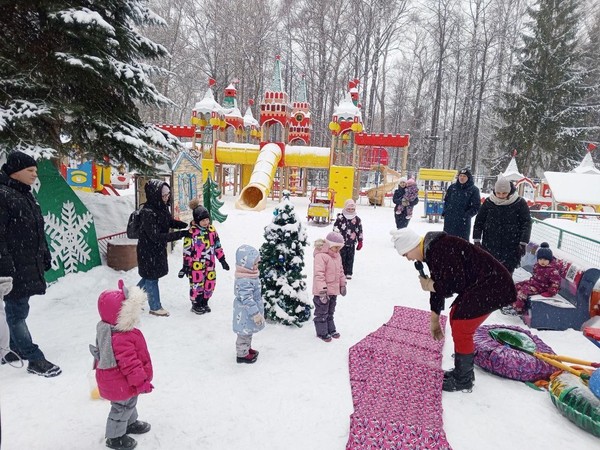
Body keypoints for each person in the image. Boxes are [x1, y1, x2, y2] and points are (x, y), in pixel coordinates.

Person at [391, 228, 516, 392]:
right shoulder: (432, 251)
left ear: (411, 246)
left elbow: (454, 282)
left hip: (493, 286)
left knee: (462, 324)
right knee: (456, 315)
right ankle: (462, 371)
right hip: (484, 285)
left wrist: (432, 285)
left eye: (405, 254)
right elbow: (440, 284)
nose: (407, 259)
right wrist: (434, 319)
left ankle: (463, 379)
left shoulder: (441, 248)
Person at [0, 151, 61, 377]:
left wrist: (44, 253)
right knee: (16, 313)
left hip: (25, 264)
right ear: (16, 171)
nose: (35, 175)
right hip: (13, 268)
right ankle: (34, 358)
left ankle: (13, 349)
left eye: (35, 170)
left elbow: (36, 230)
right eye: (31, 171)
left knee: (18, 309)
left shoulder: (24, 194)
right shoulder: (4, 195)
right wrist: (5, 269)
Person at [90, 280, 153, 450]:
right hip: (120, 381)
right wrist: (141, 382)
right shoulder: (120, 338)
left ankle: (130, 423)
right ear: (123, 314)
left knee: (128, 403)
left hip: (122, 382)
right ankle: (114, 437)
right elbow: (130, 365)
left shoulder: (113, 330)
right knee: (121, 408)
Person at [136, 179, 188, 317]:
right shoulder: (148, 212)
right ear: (155, 195)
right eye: (163, 196)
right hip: (148, 251)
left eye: (167, 195)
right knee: (152, 277)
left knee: (149, 276)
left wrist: (182, 225)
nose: (166, 198)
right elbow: (156, 236)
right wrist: (181, 234)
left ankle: (132, 296)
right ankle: (155, 307)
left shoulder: (161, 207)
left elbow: (167, 221)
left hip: (156, 250)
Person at [179, 198, 229, 315]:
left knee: (210, 282)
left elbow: (217, 246)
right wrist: (186, 266)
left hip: (210, 264)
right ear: (197, 221)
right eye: (203, 220)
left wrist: (222, 260)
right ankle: (196, 303)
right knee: (197, 284)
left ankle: (205, 301)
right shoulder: (191, 232)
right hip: (196, 265)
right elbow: (187, 250)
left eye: (207, 219)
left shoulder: (212, 230)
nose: (206, 222)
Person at [473, 177, 531, 274]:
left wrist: (523, 242)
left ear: (510, 191)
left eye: (504, 193)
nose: (501, 196)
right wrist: (477, 239)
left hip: (511, 245)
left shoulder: (519, 203)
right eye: (498, 193)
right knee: (489, 271)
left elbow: (526, 223)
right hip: (490, 243)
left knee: (506, 273)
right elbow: (479, 221)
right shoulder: (488, 202)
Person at [232, 244, 265, 364]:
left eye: (257, 263)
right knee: (243, 333)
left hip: (249, 311)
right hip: (246, 312)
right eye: (254, 264)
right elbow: (247, 299)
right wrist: (256, 314)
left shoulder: (250, 275)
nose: (256, 266)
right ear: (246, 263)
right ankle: (241, 354)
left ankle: (246, 349)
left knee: (248, 331)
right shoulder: (244, 280)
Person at [312, 232, 347, 342]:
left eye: (339, 248)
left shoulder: (337, 256)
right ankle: (322, 332)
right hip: (321, 292)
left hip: (333, 291)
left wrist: (342, 284)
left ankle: (331, 329)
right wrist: (322, 292)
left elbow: (341, 271)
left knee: (330, 311)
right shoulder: (321, 256)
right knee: (322, 312)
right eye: (335, 247)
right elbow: (319, 275)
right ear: (329, 245)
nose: (337, 250)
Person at [508, 243, 561, 315]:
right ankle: (511, 303)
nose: (542, 261)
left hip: (542, 287)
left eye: (545, 259)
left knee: (523, 292)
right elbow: (535, 276)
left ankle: (518, 309)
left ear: (549, 260)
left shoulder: (552, 271)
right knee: (517, 286)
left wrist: (550, 292)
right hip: (534, 283)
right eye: (540, 259)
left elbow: (555, 284)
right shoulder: (537, 266)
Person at [442, 168, 481, 241]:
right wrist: (445, 212)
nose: (462, 178)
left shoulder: (474, 190)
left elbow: (476, 206)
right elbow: (446, 201)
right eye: (461, 175)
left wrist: (466, 215)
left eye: (464, 176)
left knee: (462, 244)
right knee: (447, 242)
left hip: (463, 223)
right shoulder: (452, 187)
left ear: (468, 178)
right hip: (449, 221)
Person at [332, 199, 363, 279]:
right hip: (341, 243)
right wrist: (335, 236)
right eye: (349, 209)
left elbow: (359, 230)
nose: (350, 210)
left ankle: (348, 272)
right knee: (341, 257)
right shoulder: (341, 218)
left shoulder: (357, 219)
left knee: (350, 257)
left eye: (352, 209)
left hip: (351, 242)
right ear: (345, 208)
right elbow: (335, 227)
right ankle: (341, 271)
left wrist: (360, 241)